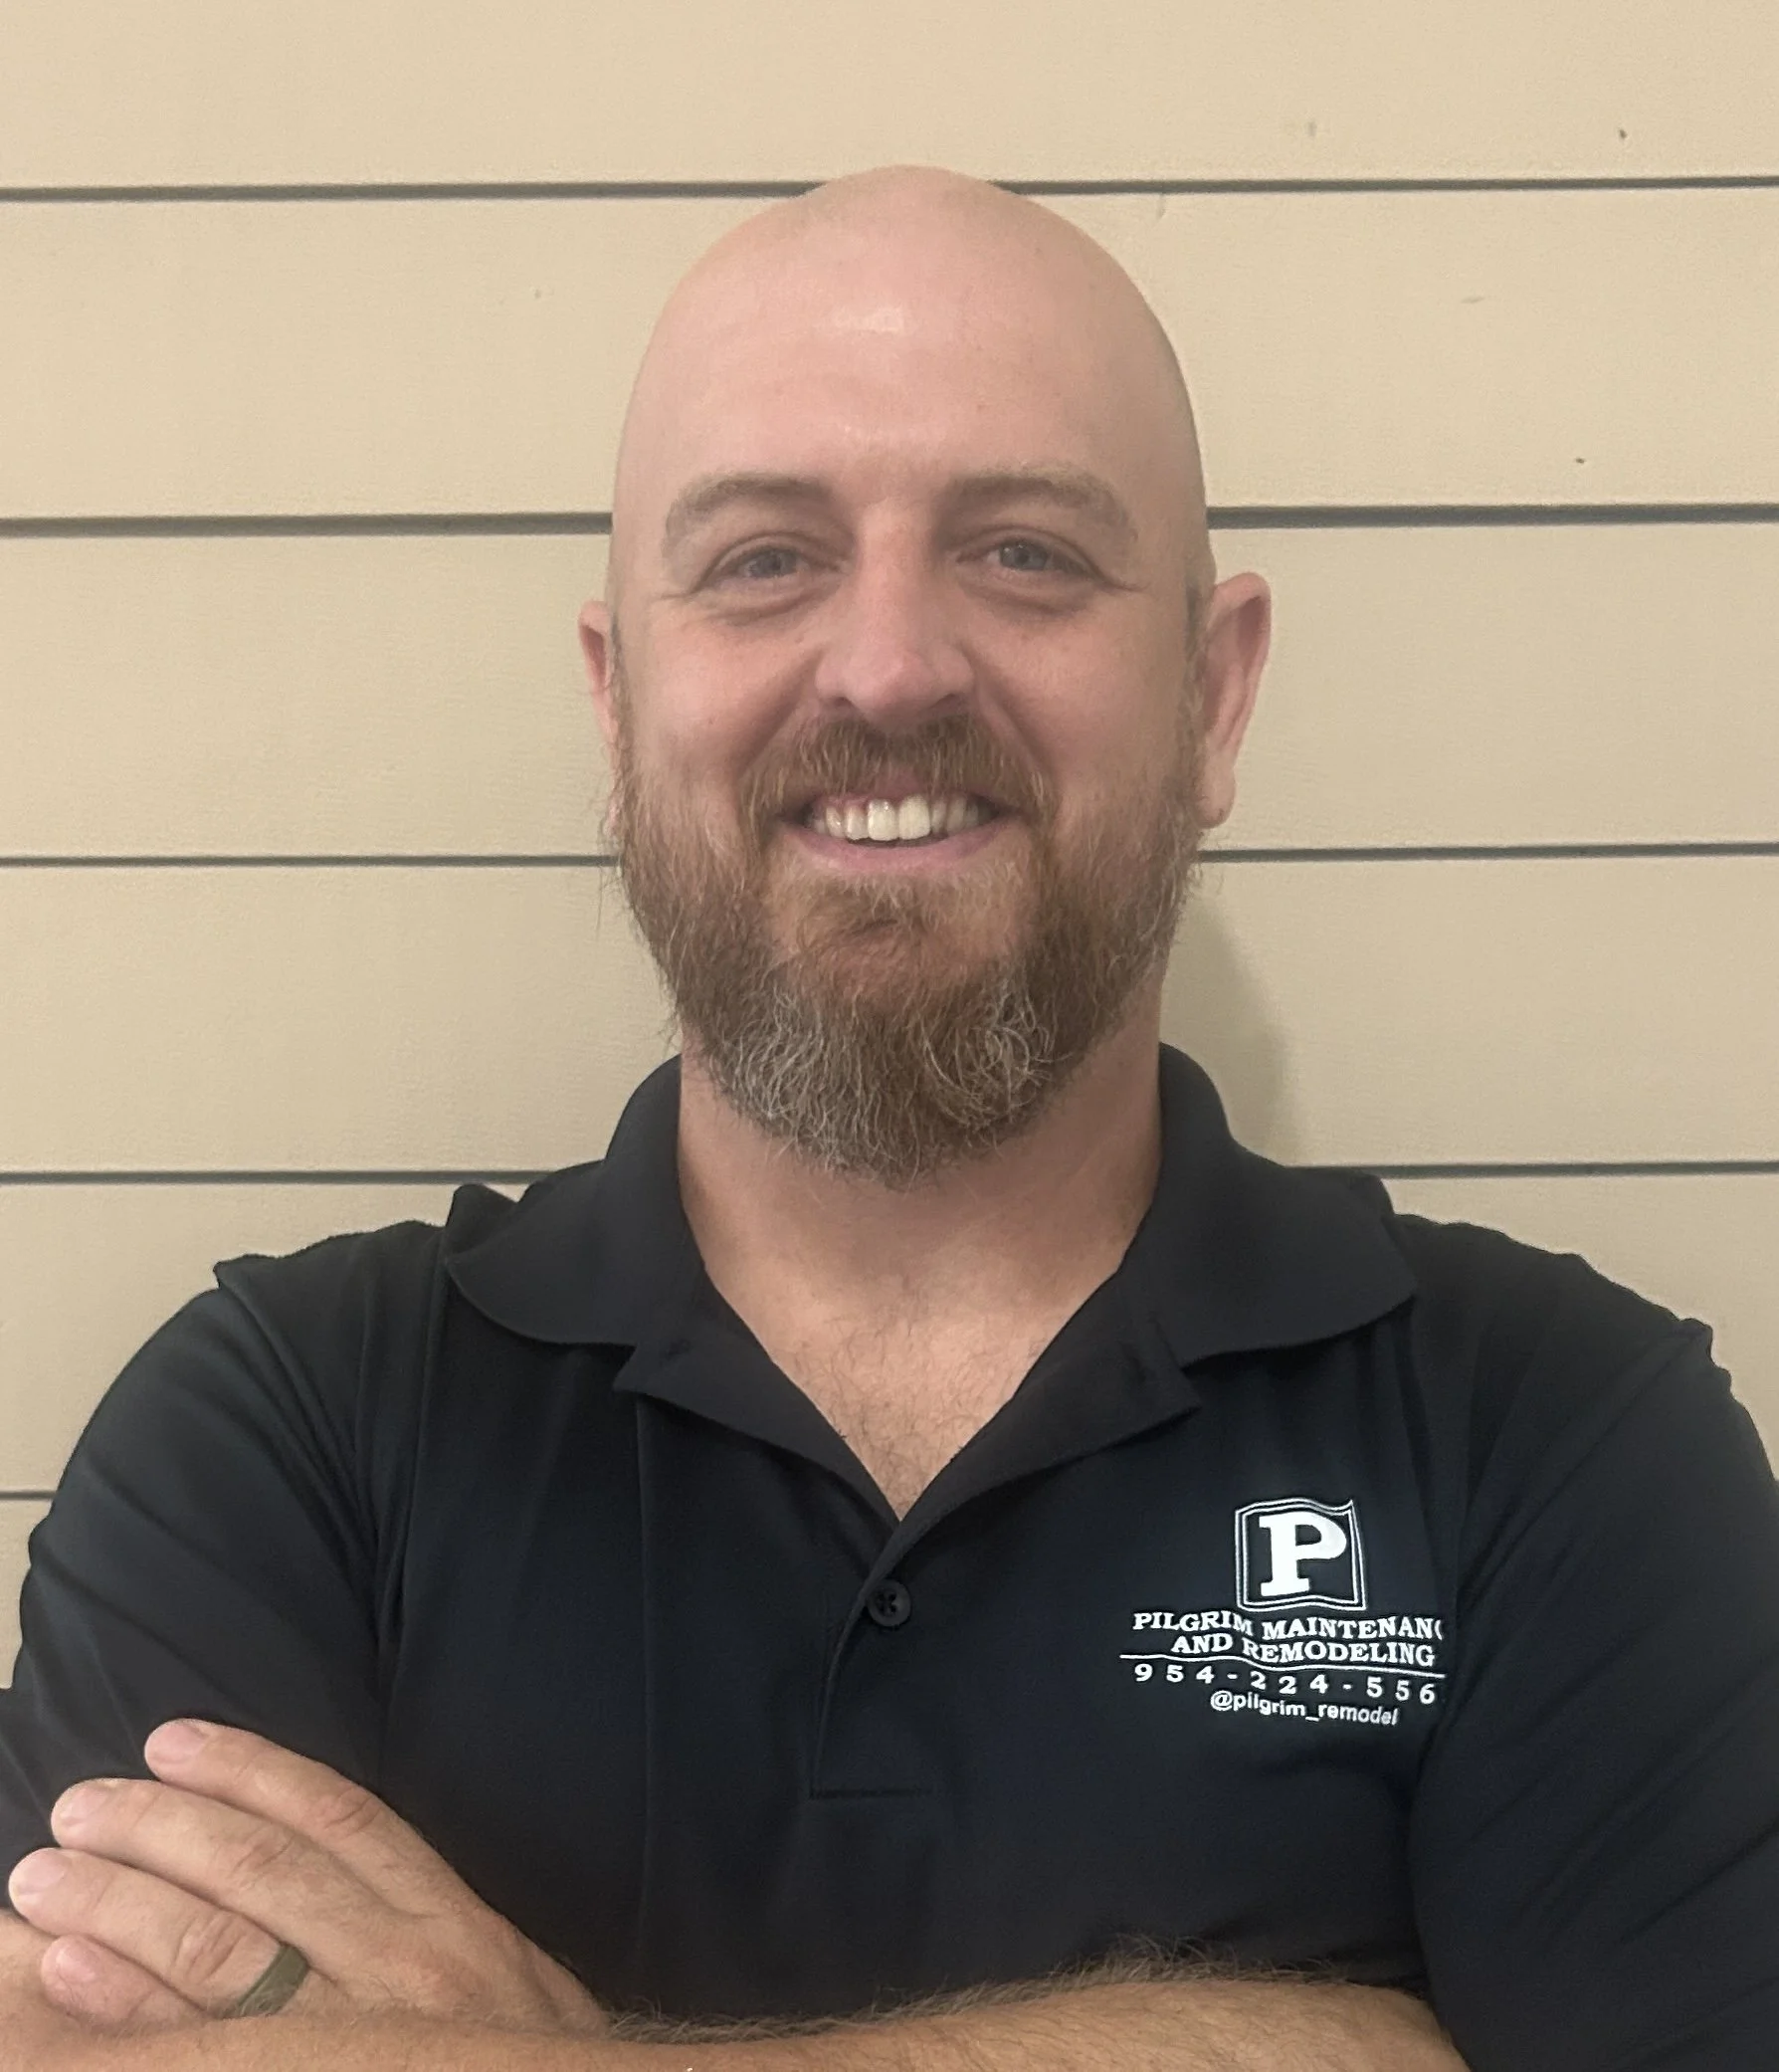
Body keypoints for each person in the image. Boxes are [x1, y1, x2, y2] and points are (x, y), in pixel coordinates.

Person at [1, 165, 1775, 2072]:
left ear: (1217, 691)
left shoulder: (1559, 1437)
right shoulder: (284, 1425)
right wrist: (1320, 2041)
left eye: (1024, 552)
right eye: (764, 556)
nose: (889, 664)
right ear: (617, 702)